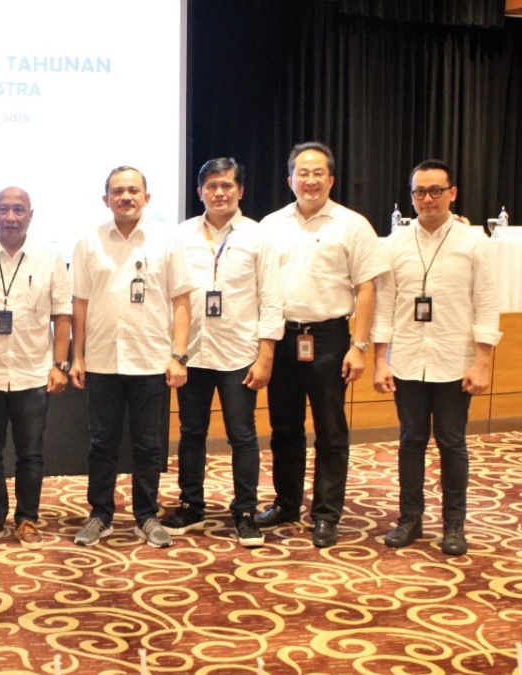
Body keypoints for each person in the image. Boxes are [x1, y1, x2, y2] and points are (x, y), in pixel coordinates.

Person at [256, 142, 387, 548]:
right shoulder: (271, 225)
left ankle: (327, 514)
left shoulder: (353, 224)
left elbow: (367, 288)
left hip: (330, 338)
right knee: (284, 428)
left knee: (332, 432)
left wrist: (359, 346)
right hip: (283, 337)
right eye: (302, 173)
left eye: (318, 173)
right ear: (290, 179)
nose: (310, 180)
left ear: (331, 178)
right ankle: (287, 503)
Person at [372, 160, 501, 556]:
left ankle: (454, 525)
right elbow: (384, 306)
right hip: (408, 358)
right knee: (411, 440)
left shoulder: (474, 241)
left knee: (452, 441)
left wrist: (481, 363)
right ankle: (409, 519)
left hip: (453, 359)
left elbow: (486, 304)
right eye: (419, 192)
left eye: (435, 191)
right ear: (411, 196)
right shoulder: (394, 243)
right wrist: (381, 360)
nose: (427, 199)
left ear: (452, 193)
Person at [70, 166, 195, 548]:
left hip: (149, 360)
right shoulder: (89, 242)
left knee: (148, 445)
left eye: (133, 191)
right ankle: (101, 515)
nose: (126, 197)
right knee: (101, 443)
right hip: (103, 361)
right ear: (105, 199)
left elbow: (182, 301)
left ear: (147, 197)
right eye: (118, 191)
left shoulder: (167, 240)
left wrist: (178, 356)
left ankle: (146, 516)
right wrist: (77, 356)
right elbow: (79, 302)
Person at [163, 158, 283, 548]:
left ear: (240, 191)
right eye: (211, 185)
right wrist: (173, 351)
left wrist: (265, 355)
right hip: (192, 353)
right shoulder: (181, 235)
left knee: (242, 435)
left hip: (239, 353)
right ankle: (192, 505)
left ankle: (245, 511)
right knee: (191, 433)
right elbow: (171, 295)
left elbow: (271, 298)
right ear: (199, 192)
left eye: (227, 185)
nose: (219, 192)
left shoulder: (257, 235)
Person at [0, 187, 72, 550]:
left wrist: (59, 365)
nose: (11, 217)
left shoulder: (50, 257)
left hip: (33, 371)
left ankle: (27, 519)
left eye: (18, 210)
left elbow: (62, 315)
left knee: (30, 453)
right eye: (3, 209)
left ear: (30, 215)